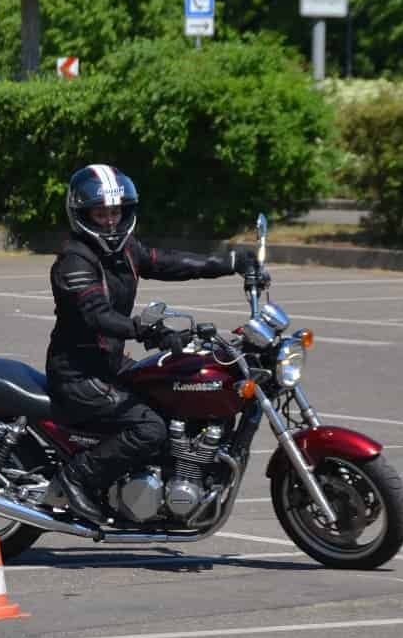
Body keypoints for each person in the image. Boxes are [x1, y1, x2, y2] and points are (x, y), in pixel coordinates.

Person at [45, 163, 257, 521]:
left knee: (172, 398)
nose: (110, 221)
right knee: (150, 429)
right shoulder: (74, 262)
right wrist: (145, 330)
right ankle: (76, 477)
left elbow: (169, 262)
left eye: (116, 212)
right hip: (79, 376)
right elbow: (97, 314)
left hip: (110, 364)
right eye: (101, 213)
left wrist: (229, 261)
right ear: (83, 214)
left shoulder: (125, 250)